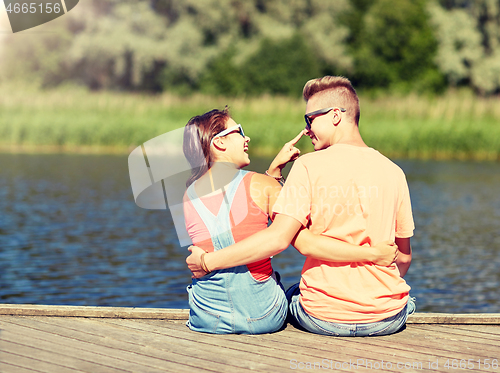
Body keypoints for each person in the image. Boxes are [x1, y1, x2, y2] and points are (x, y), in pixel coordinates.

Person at [187, 76, 415, 337]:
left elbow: (288, 239)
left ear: (335, 116)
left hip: (324, 317)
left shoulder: (308, 166)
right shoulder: (395, 172)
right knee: (406, 301)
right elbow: (403, 258)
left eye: (310, 119)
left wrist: (206, 262)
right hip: (386, 318)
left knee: (293, 293)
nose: (307, 130)